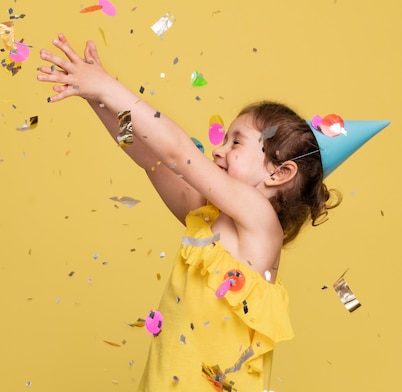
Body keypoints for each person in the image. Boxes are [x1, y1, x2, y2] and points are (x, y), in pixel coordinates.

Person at [36, 33, 370, 391]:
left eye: (236, 142)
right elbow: (149, 157)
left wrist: (108, 87)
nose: (218, 150)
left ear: (279, 172)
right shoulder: (206, 219)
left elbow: (180, 153)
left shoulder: (261, 223)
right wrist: (97, 100)